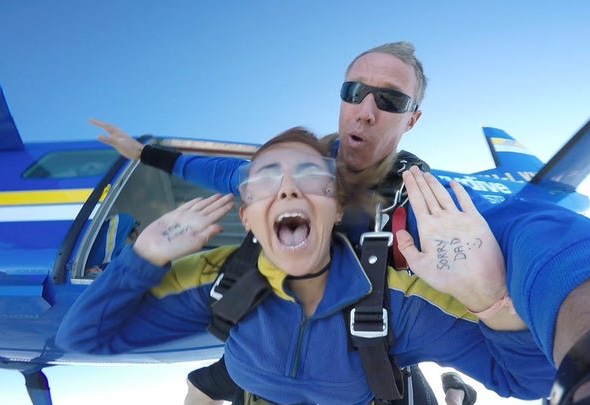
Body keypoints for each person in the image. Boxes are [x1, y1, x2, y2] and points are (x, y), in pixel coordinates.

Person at [90, 40, 590, 404]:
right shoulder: (289, 175)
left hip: (355, 370)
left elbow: (540, 233)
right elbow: (218, 172)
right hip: (265, 357)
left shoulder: (427, 200)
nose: (365, 110)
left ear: (411, 119)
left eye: (388, 100)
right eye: (353, 91)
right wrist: (148, 154)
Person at [57, 127, 549, 404]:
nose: (287, 188)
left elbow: (528, 381)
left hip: (358, 372)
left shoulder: (400, 300)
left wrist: (492, 301)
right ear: (245, 212)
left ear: (338, 204)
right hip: (254, 372)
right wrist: (142, 251)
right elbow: (81, 338)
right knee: (204, 386)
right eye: (268, 180)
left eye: (311, 177)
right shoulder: (222, 278)